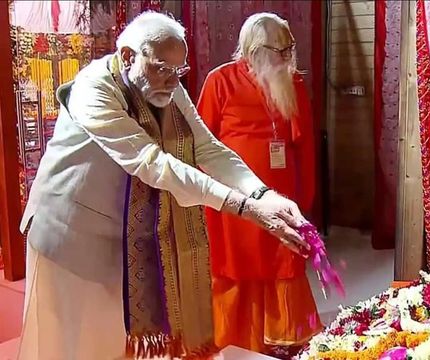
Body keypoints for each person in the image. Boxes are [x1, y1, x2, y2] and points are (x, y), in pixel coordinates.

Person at [17, 12, 311, 360]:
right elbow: (152, 163)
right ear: (128, 57)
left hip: (122, 235)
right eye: (162, 68)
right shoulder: (93, 90)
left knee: (119, 339)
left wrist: (264, 194)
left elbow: (207, 146)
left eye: (179, 71)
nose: (173, 81)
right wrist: (246, 208)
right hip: (68, 231)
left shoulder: (166, 84)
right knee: (75, 343)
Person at [196, 12, 321, 358]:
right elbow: (201, 143)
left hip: (281, 193)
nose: (287, 57)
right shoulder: (219, 80)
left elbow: (305, 145)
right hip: (234, 197)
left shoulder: (291, 83)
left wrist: (305, 195)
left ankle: (283, 336)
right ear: (253, 50)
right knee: (235, 263)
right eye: (278, 50)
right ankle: (238, 338)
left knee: (283, 257)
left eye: (289, 48)